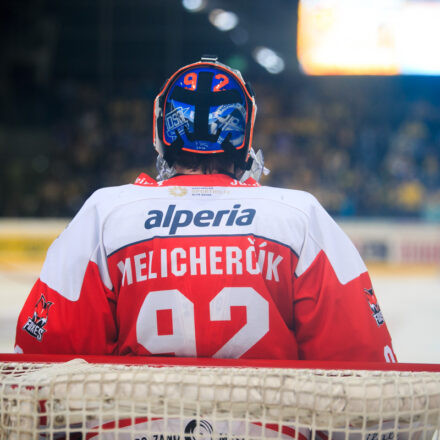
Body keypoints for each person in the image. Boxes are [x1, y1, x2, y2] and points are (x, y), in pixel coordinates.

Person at [14, 56, 398, 438]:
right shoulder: (299, 215)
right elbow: (363, 374)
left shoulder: (106, 213)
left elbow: (45, 361)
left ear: (161, 129)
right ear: (244, 133)